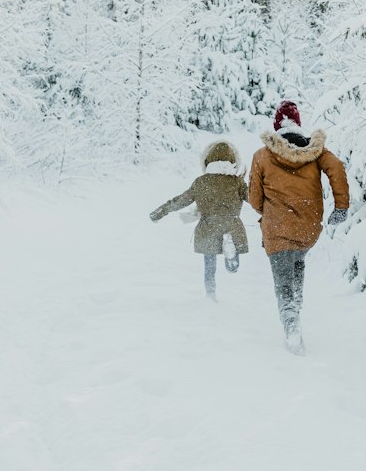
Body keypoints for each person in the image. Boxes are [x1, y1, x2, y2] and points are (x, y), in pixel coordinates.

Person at [248, 100, 349, 353]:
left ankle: (292, 326)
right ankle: (297, 307)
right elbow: (336, 167)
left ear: (276, 124)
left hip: (277, 227)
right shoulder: (316, 152)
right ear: (299, 123)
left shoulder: (262, 156)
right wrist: (341, 207)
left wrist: (266, 212)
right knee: (297, 260)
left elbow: (254, 199)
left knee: (283, 278)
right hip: (308, 226)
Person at [149, 139, 248, 301]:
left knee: (209, 264)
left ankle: (210, 294)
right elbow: (255, 199)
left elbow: (180, 200)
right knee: (233, 267)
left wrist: (160, 212)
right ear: (233, 162)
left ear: (208, 161)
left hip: (208, 227)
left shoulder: (201, 182)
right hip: (232, 224)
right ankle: (231, 255)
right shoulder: (237, 182)